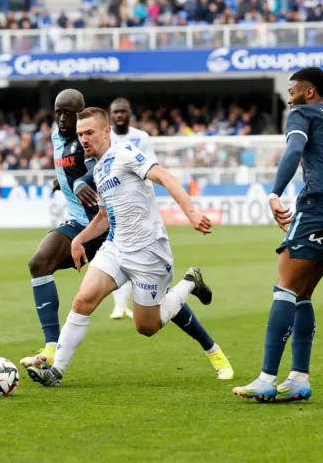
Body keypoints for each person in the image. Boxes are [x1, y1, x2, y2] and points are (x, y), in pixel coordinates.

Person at [22, 93, 233, 381]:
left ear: (106, 132)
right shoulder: (99, 167)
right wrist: (79, 239)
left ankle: (188, 283)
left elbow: (166, 178)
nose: (83, 139)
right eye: (81, 134)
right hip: (116, 247)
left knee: (147, 326)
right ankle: (56, 370)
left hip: (148, 251)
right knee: (82, 302)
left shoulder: (126, 154)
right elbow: (104, 217)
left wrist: (192, 213)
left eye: (90, 133)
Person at [232, 67, 323, 402]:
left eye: (293, 90)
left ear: (309, 92)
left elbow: (294, 152)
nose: (289, 97)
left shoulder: (302, 113)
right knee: (304, 292)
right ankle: (298, 378)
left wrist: (274, 192)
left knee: (285, 287)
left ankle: (267, 378)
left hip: (319, 204)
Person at [75, 97, 154, 321]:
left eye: (123, 111)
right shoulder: (99, 135)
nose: (120, 115)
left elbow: (153, 168)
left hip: (138, 206)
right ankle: (120, 305)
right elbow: (94, 166)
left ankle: (150, 299)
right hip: (111, 200)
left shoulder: (141, 138)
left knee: (140, 264)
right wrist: (79, 181)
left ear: (129, 113)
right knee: (119, 250)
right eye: (116, 112)